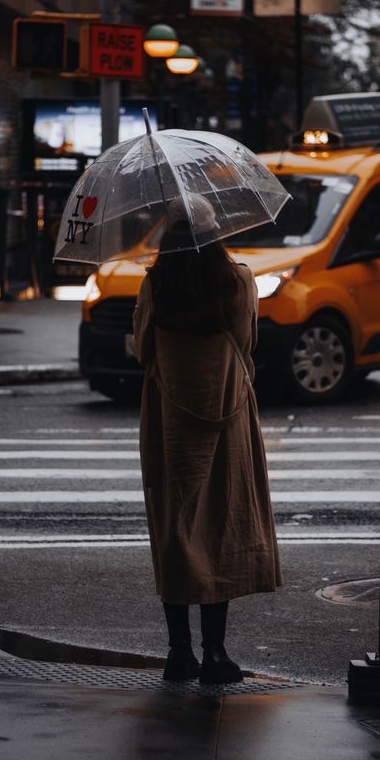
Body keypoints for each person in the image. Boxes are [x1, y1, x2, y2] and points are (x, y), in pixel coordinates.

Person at [132, 194, 282, 683]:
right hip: (228, 407)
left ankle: (179, 653)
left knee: (175, 524)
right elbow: (246, 340)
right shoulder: (237, 278)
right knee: (223, 518)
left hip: (169, 417)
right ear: (214, 233)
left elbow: (142, 348)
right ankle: (216, 653)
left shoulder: (156, 283)